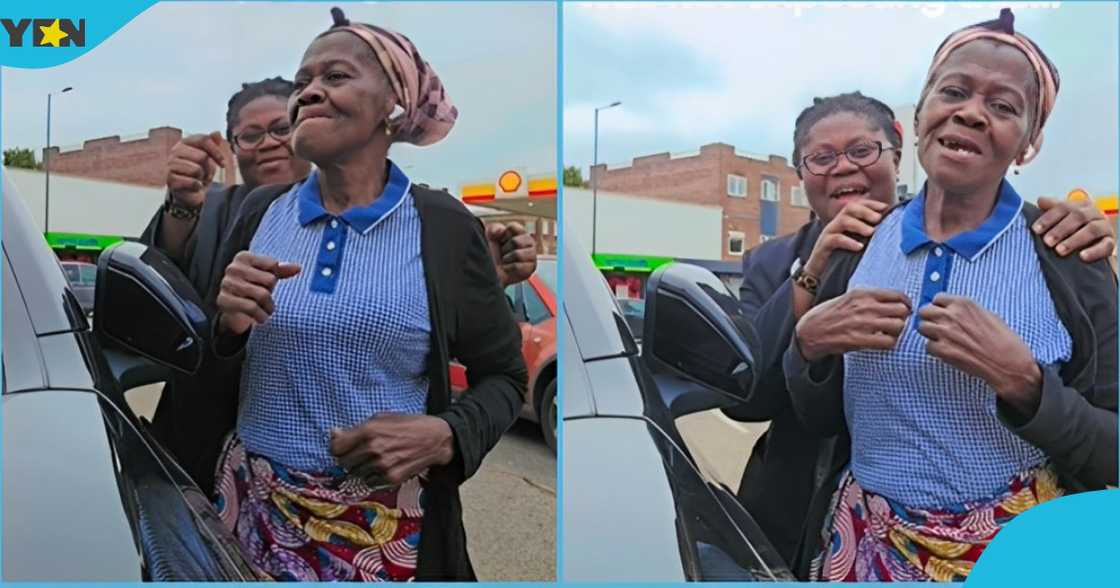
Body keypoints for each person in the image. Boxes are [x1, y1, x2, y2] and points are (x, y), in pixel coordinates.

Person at [193, 7, 526, 581]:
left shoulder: (442, 226)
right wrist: (224, 326)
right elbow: (214, 361)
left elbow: (506, 377)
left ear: (393, 107)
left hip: (384, 538)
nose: (310, 93)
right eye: (303, 83)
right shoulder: (257, 212)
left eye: (336, 77)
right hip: (248, 515)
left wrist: (447, 434)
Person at [783, 9, 1116, 581]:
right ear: (921, 114)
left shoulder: (1066, 257)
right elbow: (819, 419)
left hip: (1022, 558)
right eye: (954, 91)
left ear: (1029, 143)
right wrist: (806, 348)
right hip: (860, 550)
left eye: (1004, 106)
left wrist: (1028, 386)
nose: (971, 112)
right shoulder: (858, 243)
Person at [140, 78, 537, 491]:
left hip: (371, 504)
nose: (267, 143)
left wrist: (486, 283)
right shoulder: (221, 207)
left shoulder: (425, 222)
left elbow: (455, 355)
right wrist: (181, 207)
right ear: (232, 146)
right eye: (250, 135)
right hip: (211, 464)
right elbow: (163, 300)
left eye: (279, 128)